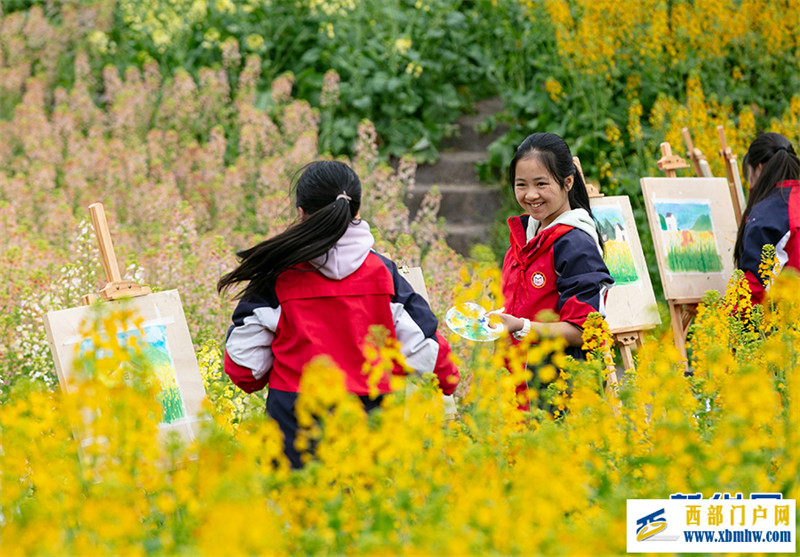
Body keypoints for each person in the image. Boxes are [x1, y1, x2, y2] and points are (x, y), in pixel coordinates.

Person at [217, 160, 460, 468]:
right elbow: (427, 352)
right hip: (370, 428)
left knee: (298, 511)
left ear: (301, 212)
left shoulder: (277, 277)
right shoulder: (383, 274)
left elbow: (244, 368)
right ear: (356, 212)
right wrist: (447, 382)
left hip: (292, 430)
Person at [490, 132, 614, 411]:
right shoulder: (525, 237)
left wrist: (522, 327)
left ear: (568, 182)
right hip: (521, 383)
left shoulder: (574, 243)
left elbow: (584, 329)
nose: (530, 195)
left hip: (560, 389)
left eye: (541, 184)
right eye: (521, 185)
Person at [734, 132, 800, 304]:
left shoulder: (768, 213)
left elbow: (753, 289)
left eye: (749, 174)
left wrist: (719, 319)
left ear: (760, 168)